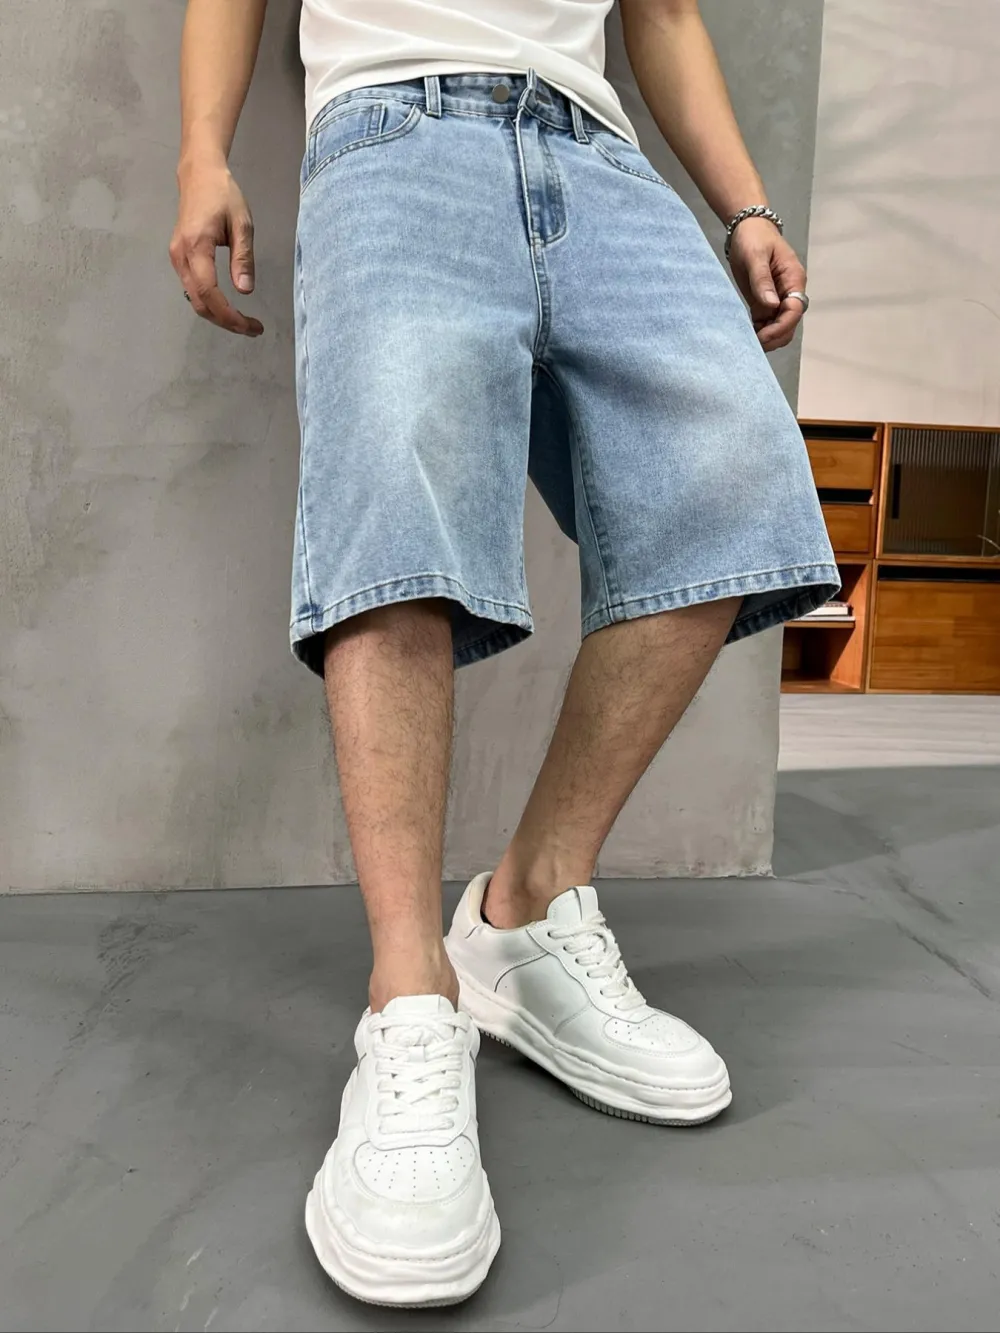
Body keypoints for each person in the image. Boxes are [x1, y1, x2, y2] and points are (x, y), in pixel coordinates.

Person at [170, 0, 838, 1308]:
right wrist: (203, 149)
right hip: (391, 129)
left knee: (728, 487)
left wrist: (746, 206)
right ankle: (410, 999)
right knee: (395, 510)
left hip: (596, 150)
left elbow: (663, 11)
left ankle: (525, 907)